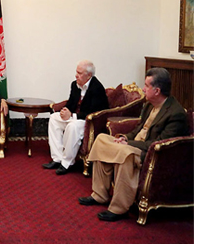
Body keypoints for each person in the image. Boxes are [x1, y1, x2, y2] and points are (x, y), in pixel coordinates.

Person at [78, 67, 189, 221]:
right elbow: (139, 128)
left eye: (146, 86)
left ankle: (119, 209)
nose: (143, 89)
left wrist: (129, 144)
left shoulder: (175, 113)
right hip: (134, 143)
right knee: (102, 139)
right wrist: (124, 138)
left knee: (125, 153)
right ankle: (100, 195)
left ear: (157, 91)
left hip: (149, 153)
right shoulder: (149, 104)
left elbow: (159, 143)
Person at [44, 60, 109, 175]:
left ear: (89, 75)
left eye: (79, 73)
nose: (76, 75)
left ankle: (67, 163)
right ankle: (57, 158)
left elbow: (93, 112)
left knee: (72, 126)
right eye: (76, 72)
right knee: (54, 118)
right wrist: (65, 110)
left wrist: (72, 116)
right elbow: (71, 102)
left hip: (90, 121)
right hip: (76, 116)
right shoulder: (75, 85)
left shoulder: (97, 88)